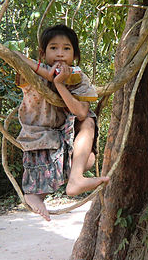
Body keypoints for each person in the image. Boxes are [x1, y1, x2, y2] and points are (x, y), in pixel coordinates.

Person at [12, 24, 110, 220]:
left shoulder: (78, 78)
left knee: (89, 150)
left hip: (63, 134)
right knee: (52, 161)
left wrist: (60, 85)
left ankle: (75, 180)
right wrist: (47, 74)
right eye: (53, 48)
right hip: (39, 133)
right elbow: (15, 57)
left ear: (74, 55)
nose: (60, 54)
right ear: (43, 53)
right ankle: (35, 194)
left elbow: (81, 112)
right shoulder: (32, 75)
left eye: (67, 49)